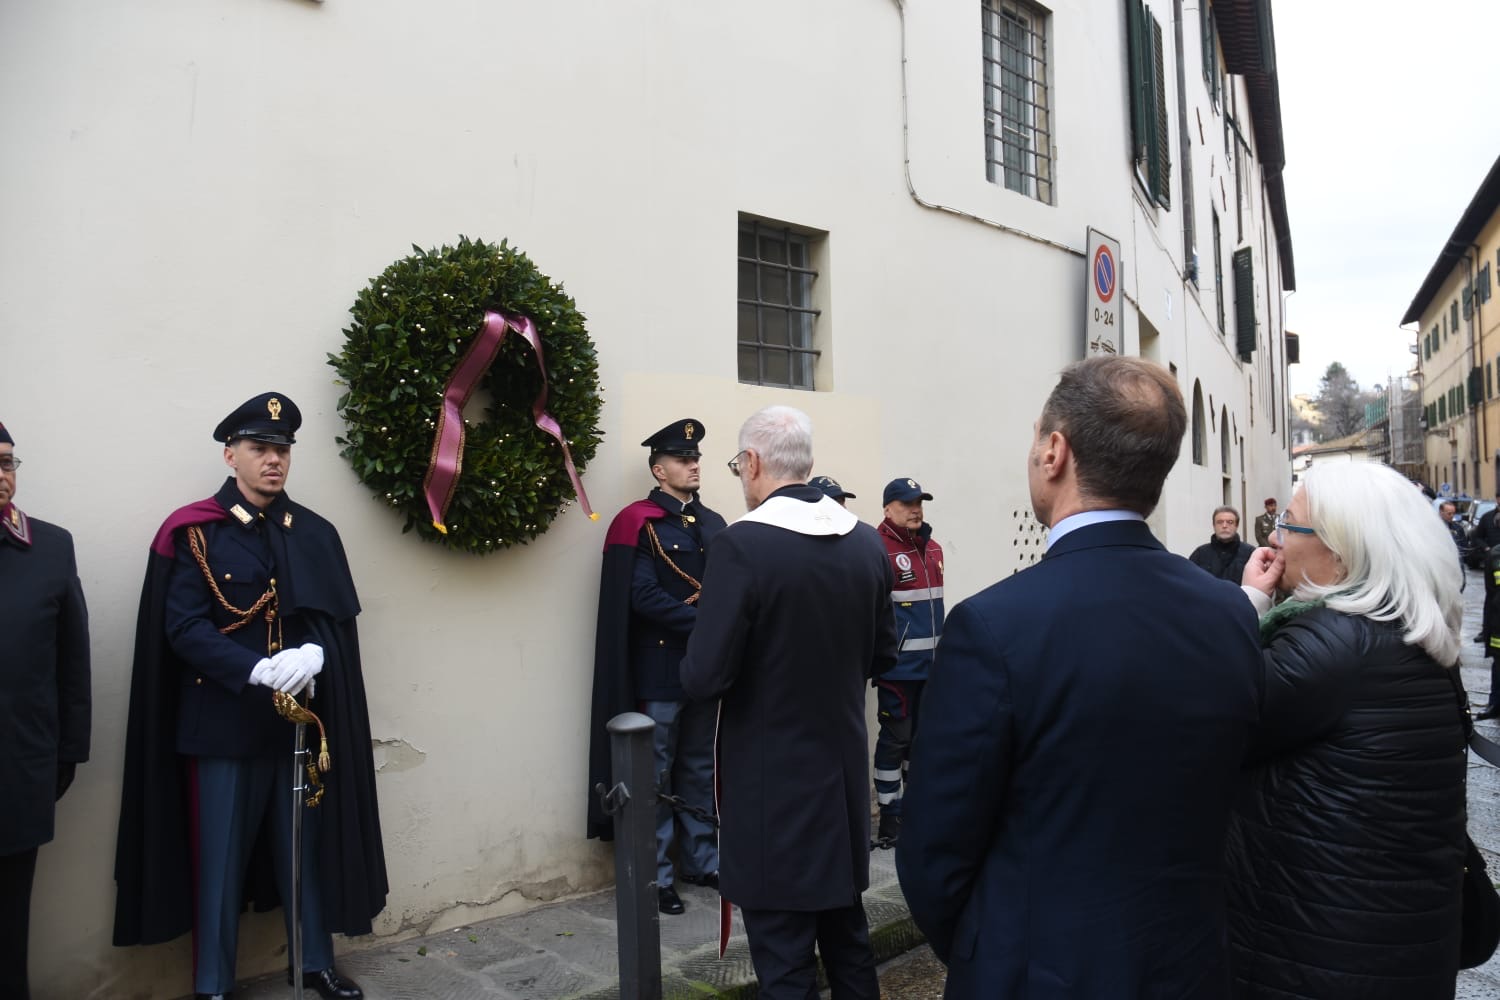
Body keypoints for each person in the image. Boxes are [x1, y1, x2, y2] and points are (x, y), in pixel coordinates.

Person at [896, 357, 1263, 997]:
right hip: (1191, 966)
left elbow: (934, 851)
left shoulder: (992, 626)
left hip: (1037, 971)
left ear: (1055, 453)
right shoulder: (1229, 612)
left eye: (1038, 435)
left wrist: (990, 950)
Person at [113, 393, 386, 1000]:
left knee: (303, 855)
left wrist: (316, 653)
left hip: (296, 728)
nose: (273, 460)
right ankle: (212, 982)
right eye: (260, 448)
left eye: (282, 449)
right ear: (230, 454)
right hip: (222, 723)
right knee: (220, 861)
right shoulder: (196, 531)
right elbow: (183, 628)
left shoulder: (312, 532)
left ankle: (314, 962)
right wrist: (256, 670)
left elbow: (330, 624)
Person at [681, 406, 897, 1000]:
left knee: (784, 960)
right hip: (842, 778)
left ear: (751, 463)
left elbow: (704, 676)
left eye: (735, 465)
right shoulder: (865, 543)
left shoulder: (741, 546)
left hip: (771, 788)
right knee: (849, 942)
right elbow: (884, 656)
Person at [1231, 462, 1466, 998]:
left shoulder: (1330, 647)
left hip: (1315, 952)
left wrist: (1249, 605)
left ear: (1339, 551)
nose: (1275, 540)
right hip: (1393, 938)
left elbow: (1210, 723)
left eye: (1287, 525)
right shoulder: (1408, 629)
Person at [587, 419, 726, 916]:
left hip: (705, 668)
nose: (693, 465)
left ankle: (702, 861)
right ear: (658, 469)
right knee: (656, 773)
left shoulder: (714, 524)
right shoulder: (639, 521)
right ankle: (657, 875)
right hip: (660, 667)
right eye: (682, 459)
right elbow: (641, 595)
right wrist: (707, 624)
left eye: (696, 458)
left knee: (699, 767)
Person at [0, 421, 90, 1000]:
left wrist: (68, 753)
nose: (2, 474)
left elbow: (72, 660)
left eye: (9, 462)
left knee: (9, 921)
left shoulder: (50, 546)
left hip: (17, 766)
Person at [873, 476, 944, 845]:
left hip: (931, 670)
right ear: (888, 509)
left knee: (921, 742)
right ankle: (891, 816)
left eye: (919, 502)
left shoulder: (933, 549)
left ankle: (915, 809)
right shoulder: (876, 549)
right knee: (895, 740)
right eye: (906, 503)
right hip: (897, 670)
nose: (915, 509)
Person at [1188, 505, 1255, 582]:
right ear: (1214, 525)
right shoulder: (1200, 554)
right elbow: (1190, 582)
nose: (1224, 526)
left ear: (1237, 526)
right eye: (1220, 522)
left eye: (1230, 522)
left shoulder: (1250, 553)